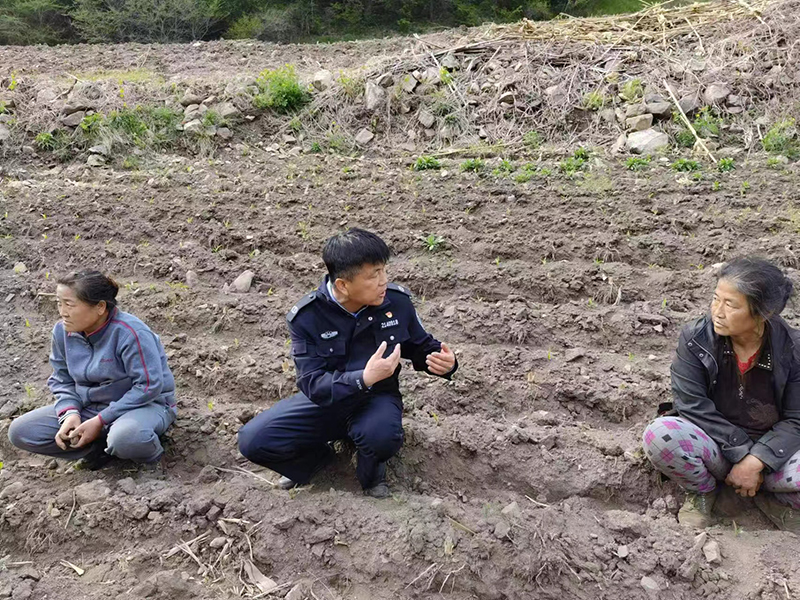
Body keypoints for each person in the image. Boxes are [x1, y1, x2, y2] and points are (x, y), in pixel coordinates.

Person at [238, 228, 458, 498]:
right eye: (373, 275)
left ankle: (370, 476)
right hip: (328, 400)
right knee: (253, 441)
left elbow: (420, 345)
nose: (383, 281)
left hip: (376, 398)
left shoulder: (397, 303)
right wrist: (362, 377)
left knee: (382, 436)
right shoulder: (307, 317)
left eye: (383, 271)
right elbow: (312, 382)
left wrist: (444, 361)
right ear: (343, 285)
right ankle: (319, 464)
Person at [643, 257, 800, 531]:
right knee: (661, 435)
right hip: (714, 446)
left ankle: (776, 500)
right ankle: (704, 491)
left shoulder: (794, 348)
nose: (717, 311)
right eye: (716, 299)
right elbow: (691, 405)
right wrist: (741, 454)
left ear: (763, 313)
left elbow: (796, 419)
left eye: (731, 305)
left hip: (775, 455)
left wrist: (758, 460)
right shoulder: (695, 339)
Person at [8, 270, 177, 468]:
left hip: (142, 407)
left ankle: (152, 459)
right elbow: (62, 379)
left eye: (69, 304)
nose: (62, 312)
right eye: (59, 303)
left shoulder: (131, 333)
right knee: (21, 432)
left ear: (100, 307)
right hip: (91, 407)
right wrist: (70, 413)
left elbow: (148, 387)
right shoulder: (62, 332)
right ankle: (102, 448)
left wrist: (101, 420)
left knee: (127, 437)